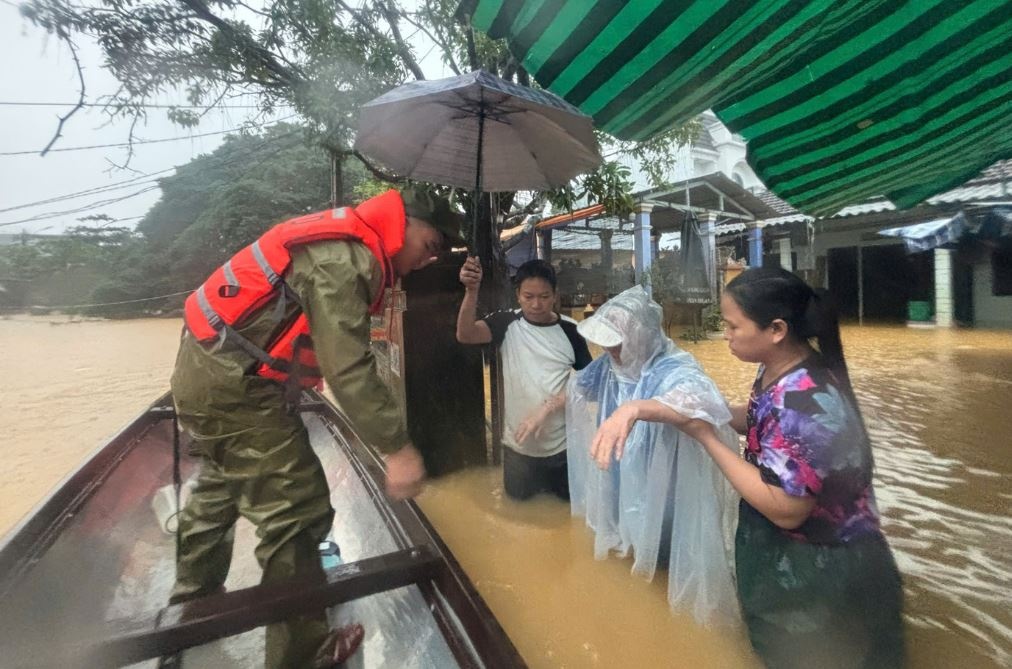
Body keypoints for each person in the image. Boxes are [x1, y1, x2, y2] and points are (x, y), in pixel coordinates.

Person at [169, 188, 463, 669]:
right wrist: (398, 448)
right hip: (236, 387)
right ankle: (303, 656)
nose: (429, 259)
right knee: (298, 511)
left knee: (220, 489)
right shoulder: (345, 260)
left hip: (211, 376)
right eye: (431, 245)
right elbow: (346, 368)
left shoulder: (347, 244)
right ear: (405, 222)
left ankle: (189, 610)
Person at [598, 267, 905, 668]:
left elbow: (787, 509)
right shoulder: (781, 371)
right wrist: (652, 410)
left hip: (822, 571)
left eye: (731, 326)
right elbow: (757, 418)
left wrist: (705, 435)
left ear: (776, 329)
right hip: (801, 559)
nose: (725, 335)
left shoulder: (805, 401)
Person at [568, 285, 741, 626]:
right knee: (628, 545)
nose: (609, 349)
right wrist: (543, 409)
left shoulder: (672, 367)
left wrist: (633, 409)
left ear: (642, 338)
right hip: (621, 474)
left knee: (663, 556)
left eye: (617, 342)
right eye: (606, 342)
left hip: (668, 488)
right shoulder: (609, 365)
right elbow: (577, 387)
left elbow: (699, 401)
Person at [456, 258, 592, 501]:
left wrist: (547, 409)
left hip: (563, 449)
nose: (537, 304)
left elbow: (590, 384)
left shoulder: (573, 331)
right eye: (529, 296)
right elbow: (465, 334)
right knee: (517, 517)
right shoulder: (505, 323)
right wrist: (471, 291)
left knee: (565, 518)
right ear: (517, 295)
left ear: (555, 295)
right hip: (518, 450)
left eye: (544, 296)